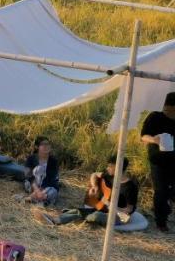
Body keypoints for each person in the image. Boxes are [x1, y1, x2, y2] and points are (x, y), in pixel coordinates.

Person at [48, 159, 139, 226]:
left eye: (110, 166)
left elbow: (129, 210)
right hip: (103, 209)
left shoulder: (130, 187)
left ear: (117, 167)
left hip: (117, 216)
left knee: (95, 216)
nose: (107, 168)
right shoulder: (109, 176)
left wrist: (108, 204)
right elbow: (94, 175)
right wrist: (95, 186)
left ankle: (60, 218)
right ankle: (53, 219)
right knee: (80, 211)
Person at [139, 91, 175, 232]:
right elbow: (143, 136)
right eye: (165, 108)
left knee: (171, 192)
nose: (167, 111)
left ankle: (168, 205)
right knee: (161, 192)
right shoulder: (155, 117)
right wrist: (154, 139)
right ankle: (161, 222)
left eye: (170, 109)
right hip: (158, 161)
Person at [22, 137, 61, 206]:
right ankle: (43, 201)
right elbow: (28, 175)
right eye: (43, 144)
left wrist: (42, 192)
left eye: (48, 144)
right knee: (29, 180)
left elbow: (51, 179)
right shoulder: (31, 158)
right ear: (37, 147)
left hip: (47, 187)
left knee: (53, 191)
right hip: (33, 185)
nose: (46, 146)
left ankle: (32, 198)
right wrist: (37, 190)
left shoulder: (53, 161)